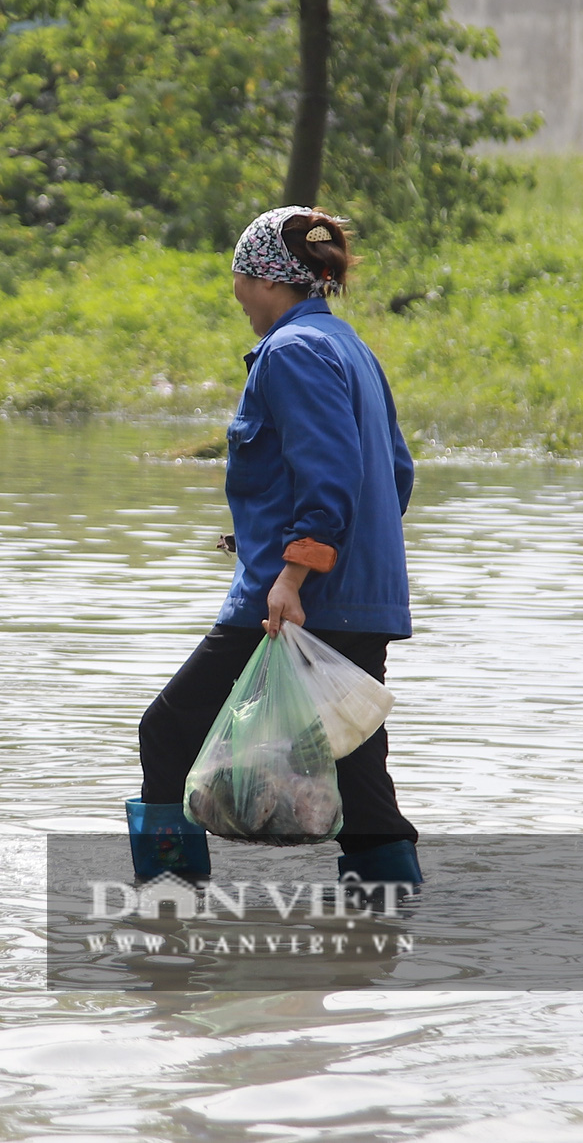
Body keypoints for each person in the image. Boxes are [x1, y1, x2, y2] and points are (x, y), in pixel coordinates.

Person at [125, 206, 423, 887]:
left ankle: (169, 912)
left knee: (168, 732)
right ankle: (388, 916)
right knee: (353, 760)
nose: (237, 295)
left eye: (240, 280)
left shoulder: (292, 353)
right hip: (360, 599)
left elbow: (329, 479)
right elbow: (392, 475)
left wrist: (292, 573)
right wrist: (273, 537)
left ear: (266, 277)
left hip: (298, 604)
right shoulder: (348, 346)